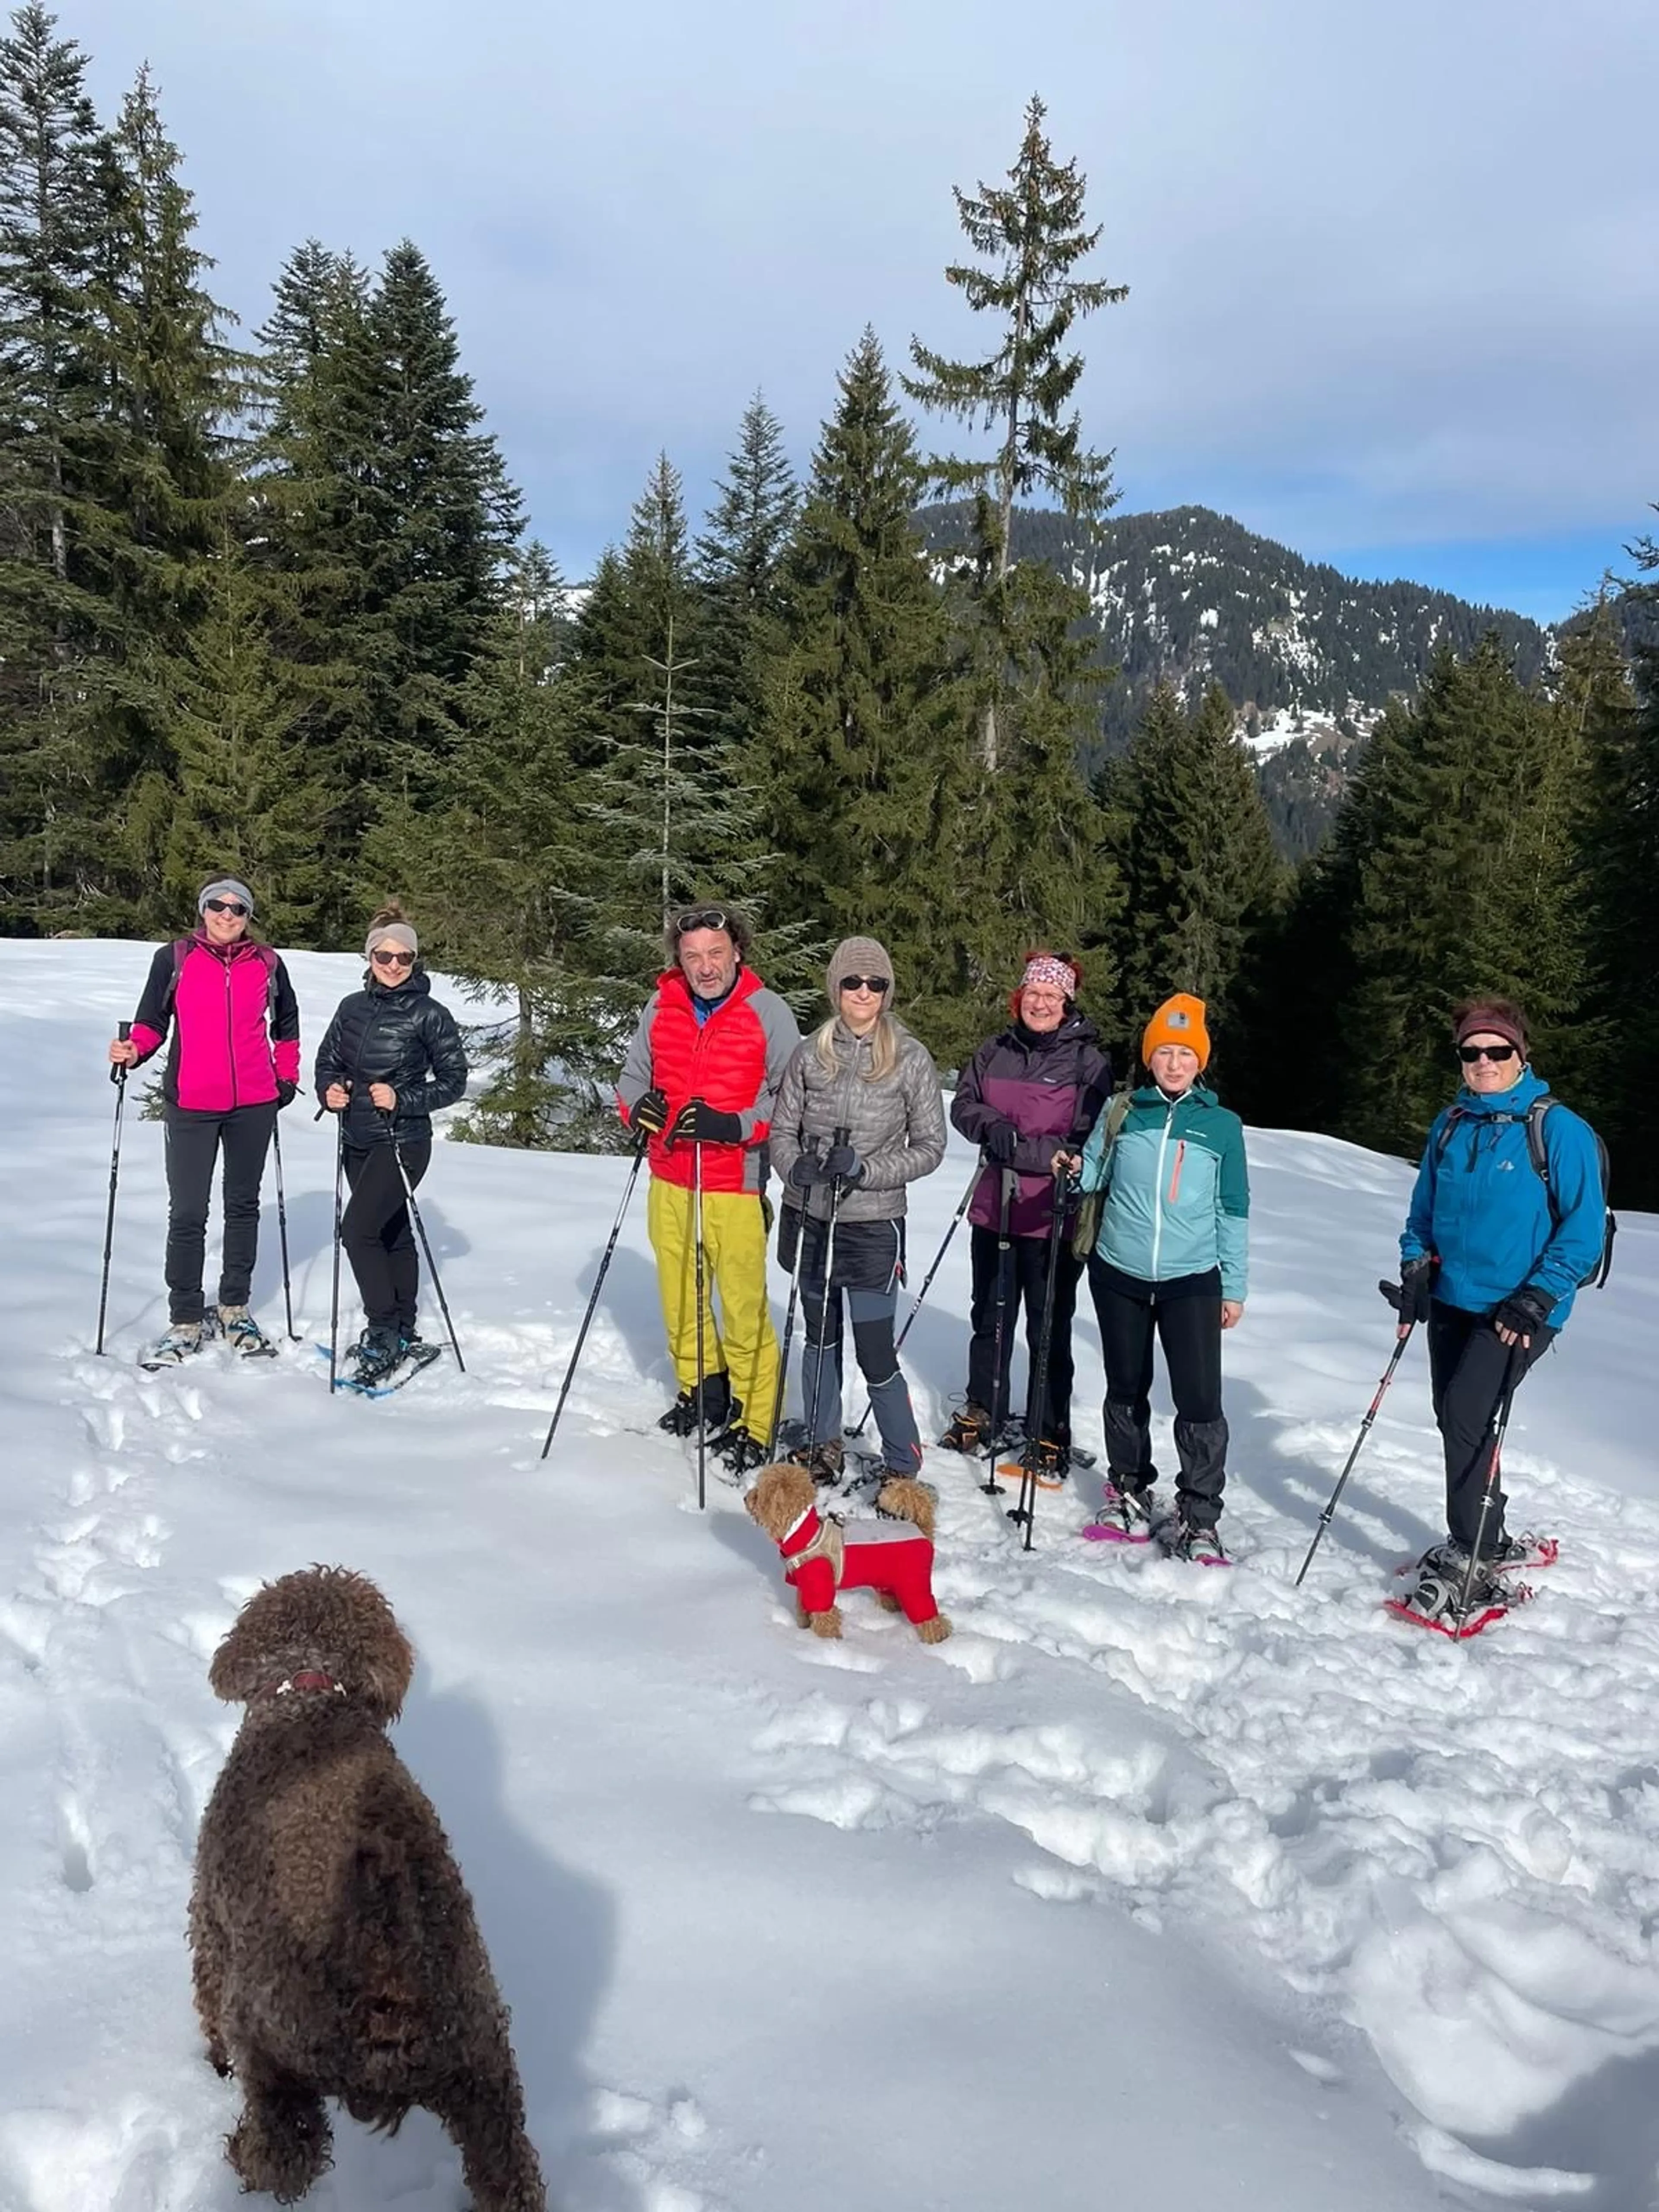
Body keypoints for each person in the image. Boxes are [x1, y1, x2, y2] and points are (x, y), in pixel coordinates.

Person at [1392, 997, 1605, 1622]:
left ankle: (1476, 1550)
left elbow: (1584, 1230)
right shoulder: (1452, 1123)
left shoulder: (1557, 1129)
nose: (1483, 1062)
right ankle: (1490, 1533)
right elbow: (1422, 1213)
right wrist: (1414, 1265)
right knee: (1455, 1417)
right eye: (1471, 1051)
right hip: (1454, 1297)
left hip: (1521, 1308)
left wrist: (1538, 1296)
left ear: (1521, 1055)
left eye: (1497, 1051)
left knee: (1465, 1416)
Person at [617, 904, 802, 1477]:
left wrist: (736, 1125)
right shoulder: (661, 1004)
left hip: (734, 1183)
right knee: (681, 1298)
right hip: (669, 1176)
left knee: (743, 1308)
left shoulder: (767, 1012)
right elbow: (631, 1078)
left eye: (714, 954)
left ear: (737, 952)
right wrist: (637, 1111)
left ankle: (755, 1418)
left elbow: (791, 1098)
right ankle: (704, 1391)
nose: (704, 967)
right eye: (692, 956)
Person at [1075, 993, 1249, 1562]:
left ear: (1201, 1061)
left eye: (1186, 1054)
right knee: (1127, 1387)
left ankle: (1200, 1515)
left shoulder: (1221, 1125)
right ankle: (1129, 1490)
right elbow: (1093, 1177)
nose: (1175, 1064)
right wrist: (1071, 1168)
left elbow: (1234, 1207)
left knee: (1200, 1399)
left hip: (1191, 1278)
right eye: (1165, 1052)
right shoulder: (1124, 1110)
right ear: (1150, 1057)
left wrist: (1234, 1284)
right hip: (1119, 1271)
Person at [769, 936, 947, 1485]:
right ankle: (824, 1445)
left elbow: (930, 1145)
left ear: (887, 991)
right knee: (820, 1340)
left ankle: (902, 1460)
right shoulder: (810, 1051)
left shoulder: (910, 1058)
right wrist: (792, 1165)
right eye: (853, 982)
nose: (863, 992)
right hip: (813, 1218)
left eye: (875, 983)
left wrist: (867, 1169)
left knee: (874, 1349)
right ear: (836, 988)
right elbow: (782, 1130)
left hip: (872, 1225)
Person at [107, 876, 301, 1365]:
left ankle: (235, 1306)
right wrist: (134, 1051)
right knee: (189, 1212)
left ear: (248, 916)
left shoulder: (268, 963)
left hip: (253, 1104)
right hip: (192, 1103)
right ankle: (186, 1318)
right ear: (204, 909)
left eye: (238, 908)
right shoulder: (175, 958)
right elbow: (152, 1021)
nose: (227, 914)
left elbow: (288, 1025)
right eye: (218, 905)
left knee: (243, 1207)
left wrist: (286, 1077)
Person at [941, 951, 1111, 1478]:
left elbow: (1086, 1139)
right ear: (1020, 997)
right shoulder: (996, 1050)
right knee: (989, 1316)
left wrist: (1023, 1151)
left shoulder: (1089, 1063)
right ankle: (984, 1409)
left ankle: (1049, 1427)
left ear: (1067, 1002)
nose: (1040, 1003)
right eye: (1033, 993)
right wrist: (990, 1126)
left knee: (1049, 1324)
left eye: (1051, 995)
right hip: (994, 1207)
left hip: (1052, 1212)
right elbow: (963, 1104)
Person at [314, 906, 468, 1386]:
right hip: (357, 1137)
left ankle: (382, 1328)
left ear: (415, 961)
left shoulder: (429, 1013)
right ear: (370, 956)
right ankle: (402, 1326)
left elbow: (454, 1081)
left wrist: (404, 1097)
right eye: (385, 955)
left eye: (405, 957)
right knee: (391, 1231)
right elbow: (327, 1060)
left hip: (403, 1140)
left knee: (357, 1231)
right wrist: (330, 1090)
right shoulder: (350, 1007)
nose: (395, 964)